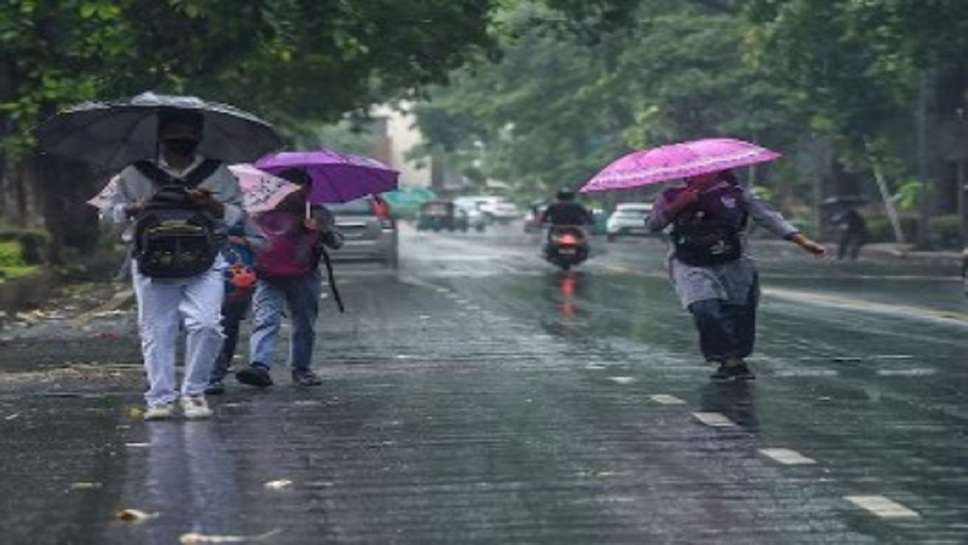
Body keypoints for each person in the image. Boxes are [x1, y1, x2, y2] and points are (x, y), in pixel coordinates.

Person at [104, 108, 245, 420]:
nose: (182, 140)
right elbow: (107, 214)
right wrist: (135, 207)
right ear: (161, 136)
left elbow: (237, 215)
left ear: (198, 137)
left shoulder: (216, 173)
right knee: (157, 331)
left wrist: (211, 203)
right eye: (174, 135)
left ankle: (194, 392)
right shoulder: (135, 173)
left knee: (207, 325)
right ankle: (160, 398)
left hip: (204, 259)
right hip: (152, 261)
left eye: (189, 134)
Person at [647, 169, 825, 381]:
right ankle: (725, 357)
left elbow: (769, 218)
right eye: (694, 172)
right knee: (705, 308)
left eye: (706, 171)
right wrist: (679, 204)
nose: (700, 175)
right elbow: (653, 225)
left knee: (739, 314)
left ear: (716, 171)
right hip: (690, 263)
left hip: (734, 263)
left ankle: (734, 360)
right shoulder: (670, 195)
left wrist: (802, 241)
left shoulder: (737, 194)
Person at [235, 169, 343, 388]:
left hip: (304, 274)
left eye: (299, 185)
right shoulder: (260, 209)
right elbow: (248, 236)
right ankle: (260, 366)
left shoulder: (318, 212)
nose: (293, 190)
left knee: (304, 323)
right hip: (267, 273)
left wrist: (322, 230)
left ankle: (301, 368)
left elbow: (337, 241)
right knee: (266, 318)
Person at [204, 216, 267, 395]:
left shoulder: (242, 214)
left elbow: (263, 242)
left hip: (237, 278)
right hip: (203, 273)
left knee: (229, 326)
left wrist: (242, 240)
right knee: (206, 323)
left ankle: (216, 374)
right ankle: (211, 374)